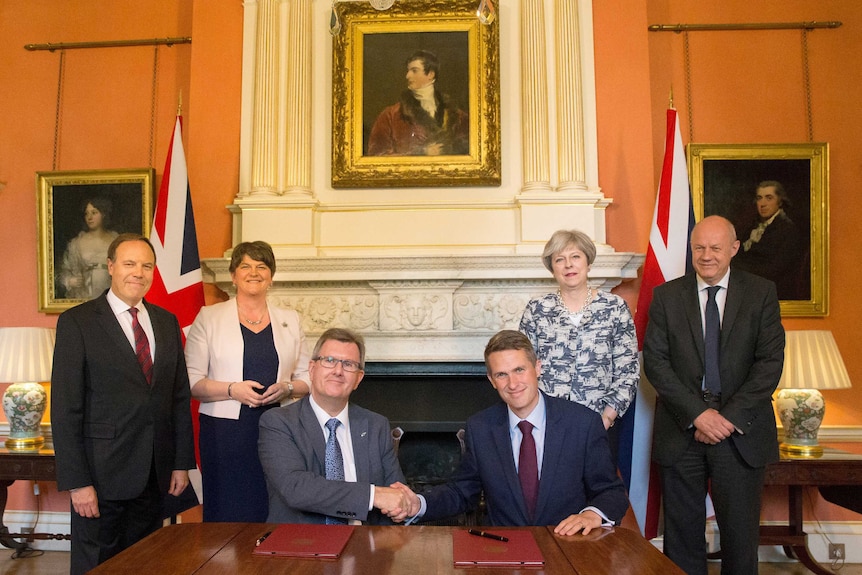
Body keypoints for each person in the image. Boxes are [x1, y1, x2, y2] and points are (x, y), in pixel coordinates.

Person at [643, 215, 785, 575]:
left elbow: (769, 363)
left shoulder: (761, 292)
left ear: (734, 249)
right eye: (699, 248)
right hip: (682, 430)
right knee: (682, 539)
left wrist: (727, 418)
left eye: (715, 248)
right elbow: (656, 363)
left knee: (740, 539)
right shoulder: (666, 296)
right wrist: (698, 415)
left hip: (739, 432)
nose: (706, 255)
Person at [51, 233, 196, 575]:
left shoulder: (166, 321)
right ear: (111, 267)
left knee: (146, 562)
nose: (139, 273)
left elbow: (178, 398)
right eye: (130, 264)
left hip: (153, 474)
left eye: (147, 266)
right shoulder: (78, 322)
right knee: (98, 565)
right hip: (100, 477)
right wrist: (77, 482)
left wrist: (180, 463)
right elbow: (65, 408)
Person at [393, 330, 629, 534]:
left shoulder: (583, 423)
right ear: (491, 380)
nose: (512, 383)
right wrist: (419, 503)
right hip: (505, 550)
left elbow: (611, 492)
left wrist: (592, 514)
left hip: (566, 546)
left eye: (519, 370)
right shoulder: (481, 427)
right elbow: (462, 492)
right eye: (501, 375)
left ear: (537, 368)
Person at [184, 241, 311, 522]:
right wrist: (232, 390)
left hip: (280, 428)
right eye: (245, 266)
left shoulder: (290, 320)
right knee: (229, 507)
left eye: (261, 266)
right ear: (233, 275)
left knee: (276, 502)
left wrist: (287, 388)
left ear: (271, 276)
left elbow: (307, 378)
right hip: (225, 432)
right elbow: (192, 381)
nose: (254, 272)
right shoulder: (209, 318)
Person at [258, 328, 411, 524]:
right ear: (312, 369)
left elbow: (395, 492)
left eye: (348, 364)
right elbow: (295, 488)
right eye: (329, 360)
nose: (338, 371)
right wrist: (372, 496)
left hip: (365, 545)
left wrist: (403, 505)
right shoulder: (278, 422)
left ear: (358, 378)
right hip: (301, 545)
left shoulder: (376, 425)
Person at [519, 229, 638, 464]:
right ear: (552, 268)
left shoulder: (614, 308)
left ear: (588, 262)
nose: (568, 265)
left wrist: (605, 419)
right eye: (559, 259)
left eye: (575, 257)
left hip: (599, 423)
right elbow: (523, 367)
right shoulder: (537, 309)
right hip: (547, 425)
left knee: (596, 494)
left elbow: (628, 372)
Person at [367, 50, 469, 156]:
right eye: (408, 71)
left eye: (414, 71)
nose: (407, 76)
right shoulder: (391, 115)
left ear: (430, 74)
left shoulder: (458, 116)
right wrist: (421, 153)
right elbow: (377, 155)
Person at [731, 180, 805, 300]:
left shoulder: (788, 230)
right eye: (759, 198)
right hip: (747, 287)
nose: (762, 203)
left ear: (780, 201)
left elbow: (774, 269)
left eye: (769, 198)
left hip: (772, 291)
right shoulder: (752, 226)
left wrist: (739, 273)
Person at [56, 197, 119, 300]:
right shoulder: (76, 243)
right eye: (87, 213)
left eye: (94, 213)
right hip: (84, 294)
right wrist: (70, 280)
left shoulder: (115, 240)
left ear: (103, 214)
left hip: (110, 292)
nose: (89, 217)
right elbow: (64, 271)